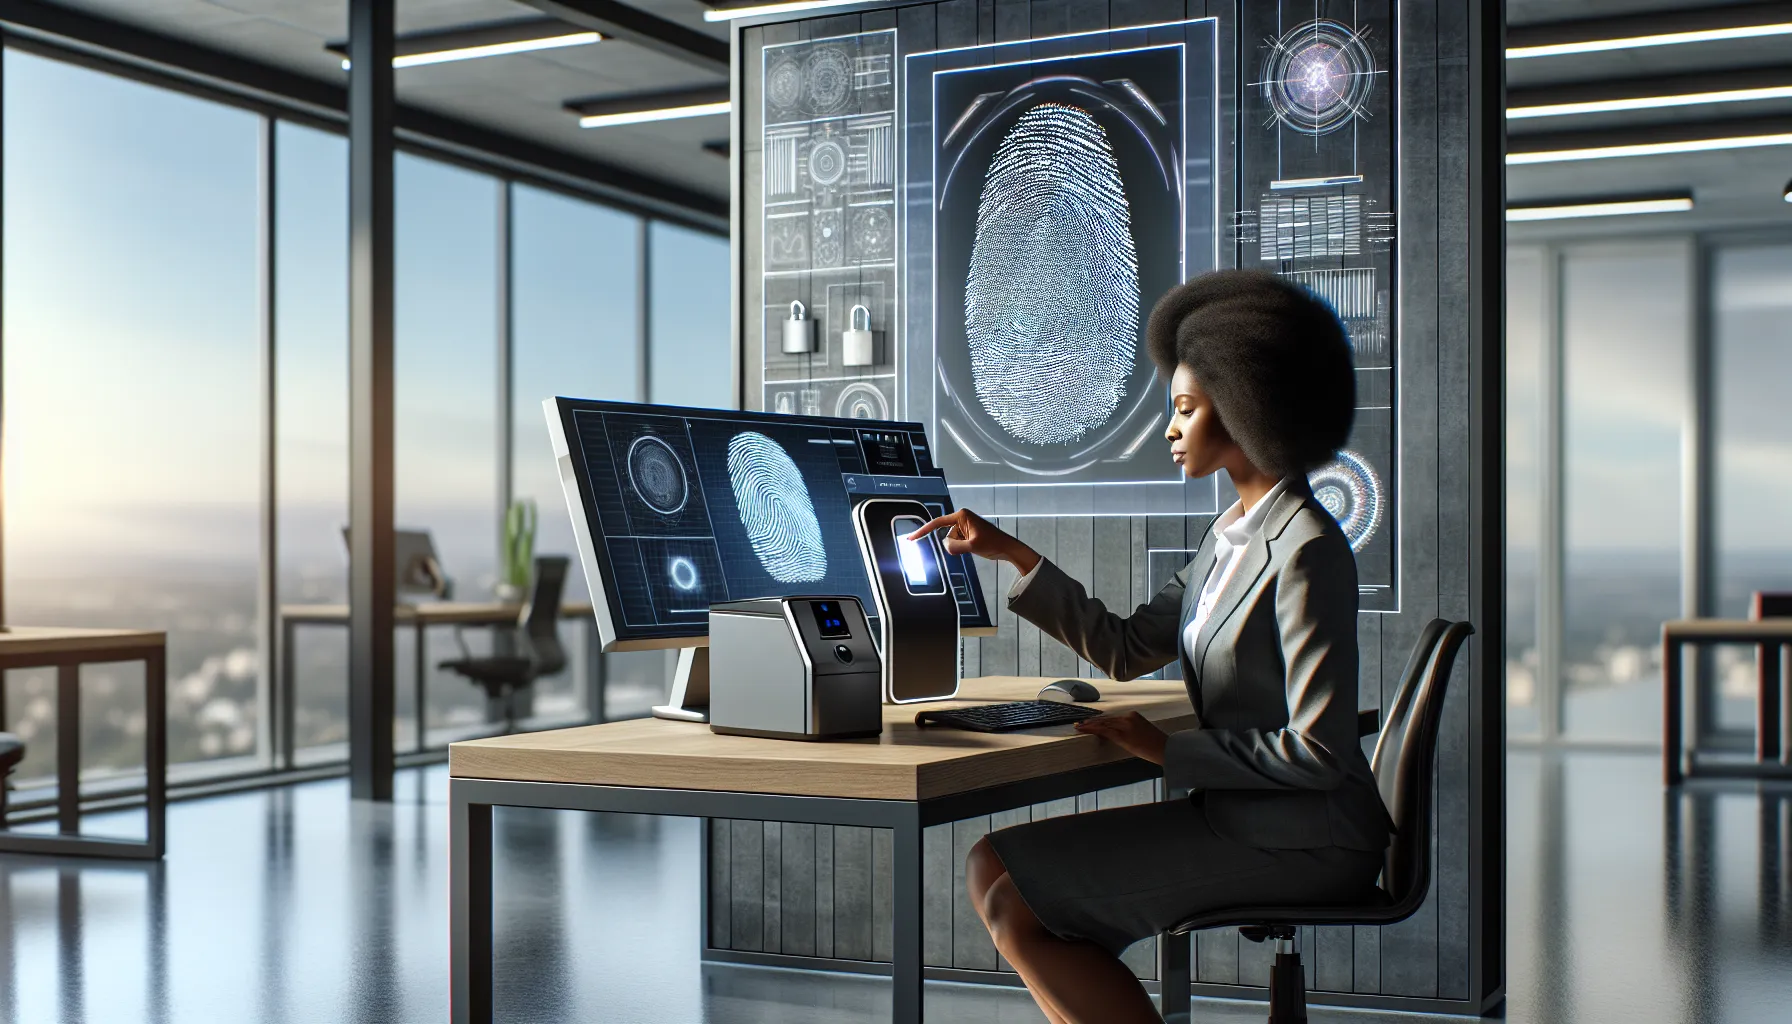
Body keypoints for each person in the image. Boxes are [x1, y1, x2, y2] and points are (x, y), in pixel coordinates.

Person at [908, 269, 1392, 1024]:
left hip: (1306, 839)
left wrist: (1166, 752)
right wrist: (1013, 555)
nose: (1172, 428)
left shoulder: (1306, 549)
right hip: (1244, 816)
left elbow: (1323, 752)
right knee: (989, 866)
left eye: (1187, 410)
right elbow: (1129, 647)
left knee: (1014, 901)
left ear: (1245, 408)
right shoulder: (1231, 537)